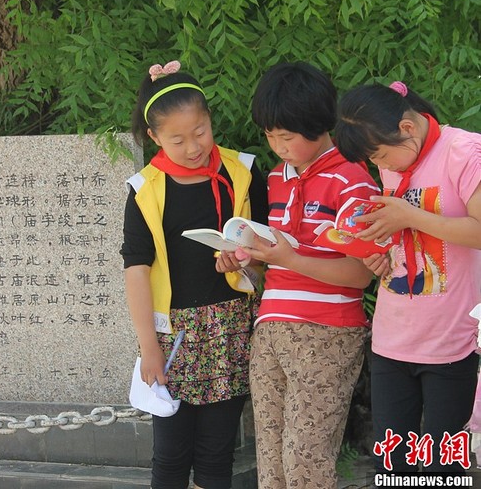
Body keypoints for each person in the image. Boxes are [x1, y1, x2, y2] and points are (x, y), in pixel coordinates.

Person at [121, 60, 268, 489]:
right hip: (172, 336)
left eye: (200, 132)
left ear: (210, 119)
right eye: (177, 139)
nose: (193, 147)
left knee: (217, 454)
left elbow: (269, 254)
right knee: (169, 455)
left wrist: (247, 262)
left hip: (232, 328)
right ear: (154, 138)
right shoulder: (144, 190)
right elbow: (136, 270)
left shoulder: (242, 171)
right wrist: (148, 346)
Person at [243, 61, 378, 489]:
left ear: (319, 125)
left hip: (327, 332)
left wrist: (291, 258)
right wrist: (246, 258)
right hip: (271, 328)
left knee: (306, 461)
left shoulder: (353, 180)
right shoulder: (276, 179)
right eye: (270, 136)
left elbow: (360, 275)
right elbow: (274, 259)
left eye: (286, 137)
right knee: (271, 458)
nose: (277, 146)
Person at [334, 81, 481, 473]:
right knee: (393, 468)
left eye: (381, 156)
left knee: (441, 470)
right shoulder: (391, 160)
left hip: (451, 340)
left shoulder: (463, 152)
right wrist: (379, 255)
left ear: (408, 129)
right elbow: (403, 236)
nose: (383, 166)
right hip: (393, 338)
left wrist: (409, 216)